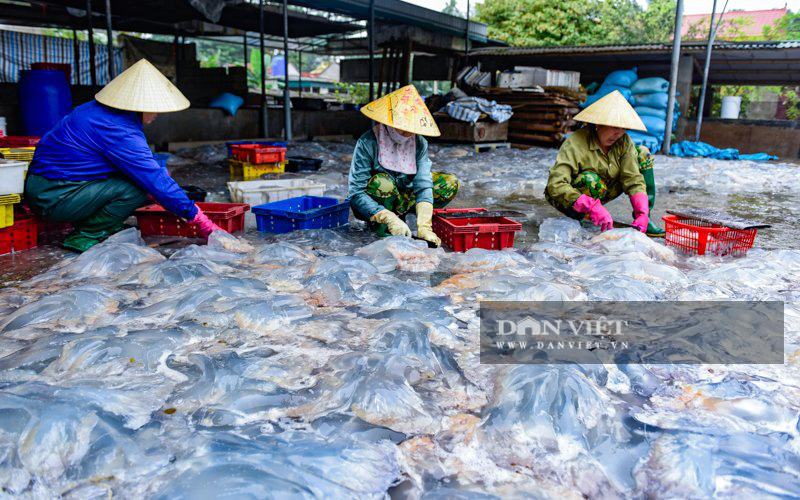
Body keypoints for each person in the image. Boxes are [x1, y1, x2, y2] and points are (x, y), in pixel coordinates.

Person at [25, 58, 224, 252]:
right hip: (54, 196)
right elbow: (154, 181)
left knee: (146, 179)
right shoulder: (117, 128)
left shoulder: (97, 111)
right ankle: (86, 234)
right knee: (140, 188)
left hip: (49, 186)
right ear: (138, 105)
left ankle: (98, 224)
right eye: (154, 109)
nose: (156, 115)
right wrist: (200, 220)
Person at [348, 85, 459, 247]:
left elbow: (423, 183)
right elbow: (356, 192)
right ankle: (383, 226)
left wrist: (424, 225)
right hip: (376, 201)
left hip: (404, 197)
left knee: (448, 182)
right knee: (382, 182)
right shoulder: (368, 142)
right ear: (390, 122)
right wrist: (386, 216)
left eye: (411, 128)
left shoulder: (419, 142)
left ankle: (414, 221)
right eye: (403, 128)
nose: (408, 133)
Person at [545, 90, 665, 237]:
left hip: (604, 190)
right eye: (615, 127)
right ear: (598, 124)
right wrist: (591, 206)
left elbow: (633, 178)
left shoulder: (623, 141)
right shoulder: (575, 143)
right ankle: (579, 217)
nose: (619, 133)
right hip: (568, 198)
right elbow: (555, 185)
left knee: (642, 153)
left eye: (623, 128)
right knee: (591, 181)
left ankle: (646, 220)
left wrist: (642, 212)